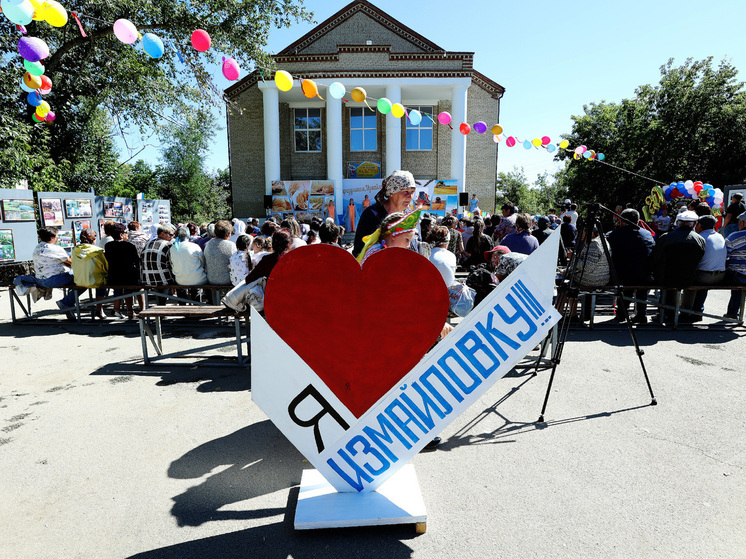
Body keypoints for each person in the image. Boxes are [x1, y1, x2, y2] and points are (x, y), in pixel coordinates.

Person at [649, 210, 705, 322]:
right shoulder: (700, 239)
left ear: (677, 223)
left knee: (668, 282)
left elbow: (654, 258)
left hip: (666, 278)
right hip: (689, 278)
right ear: (694, 224)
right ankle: (686, 313)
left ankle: (665, 313)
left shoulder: (666, 237)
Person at [606, 209, 656, 323]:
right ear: (638, 221)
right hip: (644, 275)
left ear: (622, 221)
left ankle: (621, 314)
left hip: (621, 276)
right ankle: (641, 314)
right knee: (641, 284)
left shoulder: (613, 235)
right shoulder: (647, 234)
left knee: (626, 283)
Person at [353, 170, 416, 257]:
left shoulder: (411, 216)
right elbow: (359, 250)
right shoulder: (372, 214)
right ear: (392, 193)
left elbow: (414, 249)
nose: (410, 197)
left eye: (412, 192)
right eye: (405, 192)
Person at [680, 215, 726, 322]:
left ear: (699, 225)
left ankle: (685, 312)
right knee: (702, 283)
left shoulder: (700, 238)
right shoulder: (720, 236)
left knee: (689, 279)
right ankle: (697, 311)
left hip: (704, 276)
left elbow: (692, 261)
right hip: (720, 276)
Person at [13, 227, 75, 308]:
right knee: (84, 280)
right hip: (53, 280)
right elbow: (71, 262)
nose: (58, 238)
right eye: (57, 236)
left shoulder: (38, 247)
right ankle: (66, 302)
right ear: (52, 238)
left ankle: (70, 302)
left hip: (40, 280)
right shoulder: (55, 248)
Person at [104, 222, 140, 319]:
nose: (126, 234)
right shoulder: (129, 246)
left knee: (126, 286)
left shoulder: (108, 246)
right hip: (128, 278)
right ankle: (140, 310)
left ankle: (129, 312)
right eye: (125, 232)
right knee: (138, 288)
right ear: (121, 235)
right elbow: (137, 262)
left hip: (113, 277)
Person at [72, 228, 109, 319]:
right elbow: (105, 266)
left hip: (79, 280)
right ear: (94, 238)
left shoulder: (75, 250)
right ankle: (99, 309)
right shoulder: (98, 251)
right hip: (95, 281)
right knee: (102, 282)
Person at [723, 210, 746, 320]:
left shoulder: (735, 236)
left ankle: (732, 312)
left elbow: (724, 254)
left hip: (738, 276)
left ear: (743, 223)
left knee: (736, 275)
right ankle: (732, 312)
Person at [203, 220, 237, 285]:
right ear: (227, 234)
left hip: (211, 279)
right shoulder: (231, 245)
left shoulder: (208, 244)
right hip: (227, 280)